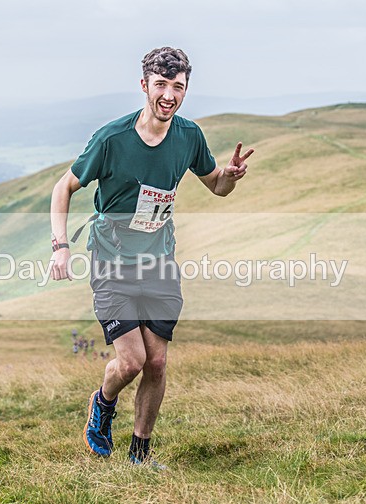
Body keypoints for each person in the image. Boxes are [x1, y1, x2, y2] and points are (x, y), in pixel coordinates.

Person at [49, 47, 253, 465]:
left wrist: (229, 178)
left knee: (157, 362)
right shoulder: (112, 139)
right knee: (132, 362)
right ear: (144, 85)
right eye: (161, 85)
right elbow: (63, 187)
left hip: (159, 263)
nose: (169, 95)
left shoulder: (189, 136)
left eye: (178, 87)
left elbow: (215, 185)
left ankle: (139, 455)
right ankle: (102, 405)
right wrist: (61, 247)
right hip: (112, 264)